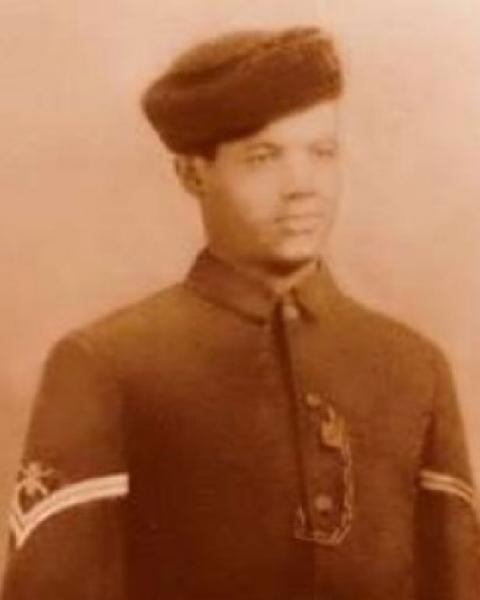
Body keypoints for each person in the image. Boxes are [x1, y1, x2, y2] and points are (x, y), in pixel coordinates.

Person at [1, 25, 479, 600]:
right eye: (263, 157)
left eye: (321, 152)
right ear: (193, 173)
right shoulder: (108, 365)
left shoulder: (411, 367)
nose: (302, 186)